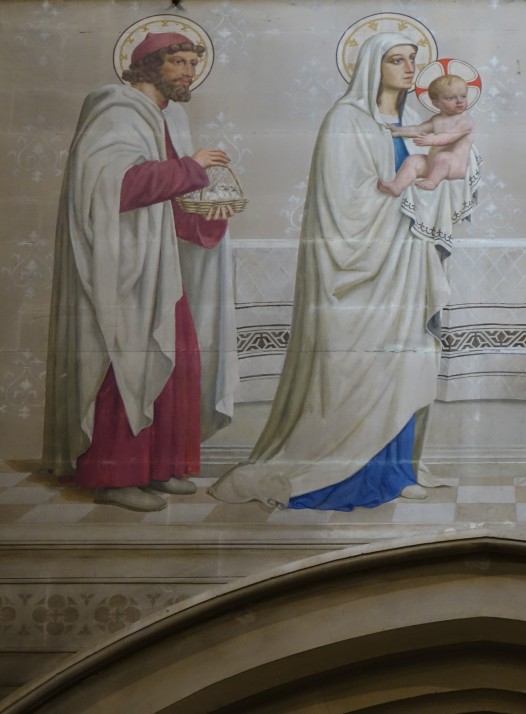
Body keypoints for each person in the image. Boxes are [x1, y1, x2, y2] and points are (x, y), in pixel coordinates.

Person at [209, 33, 479, 511]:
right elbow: (342, 203)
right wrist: (411, 196)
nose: (408, 67)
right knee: (359, 368)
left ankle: (396, 473)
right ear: (372, 66)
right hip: (358, 271)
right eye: (396, 60)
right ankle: (340, 473)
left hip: (405, 266)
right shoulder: (346, 120)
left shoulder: (413, 125)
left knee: (403, 364)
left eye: (412, 60)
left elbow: (439, 175)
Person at [43, 31, 239, 512]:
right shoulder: (117, 110)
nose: (189, 71)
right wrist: (191, 167)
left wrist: (206, 218)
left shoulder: (166, 118)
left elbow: (169, 202)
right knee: (123, 363)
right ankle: (113, 477)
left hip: (157, 265)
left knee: (176, 358)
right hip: (118, 266)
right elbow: (118, 188)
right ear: (150, 65)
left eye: (193, 63)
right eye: (179, 62)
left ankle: (157, 467)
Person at [377, 74, 475, 196]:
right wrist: (399, 130)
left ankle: (432, 181)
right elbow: (418, 129)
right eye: (451, 98)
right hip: (433, 164)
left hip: (454, 166)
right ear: (436, 103)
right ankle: (398, 186)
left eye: (463, 96)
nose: (460, 101)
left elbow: (449, 137)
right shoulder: (437, 119)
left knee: (443, 157)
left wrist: (432, 140)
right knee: (413, 160)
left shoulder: (465, 121)